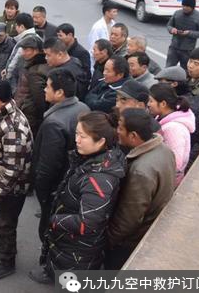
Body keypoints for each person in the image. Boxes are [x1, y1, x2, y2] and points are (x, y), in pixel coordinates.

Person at [29, 112, 126, 283]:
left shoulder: (99, 178)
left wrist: (54, 220)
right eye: (76, 134)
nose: (77, 140)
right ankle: (52, 272)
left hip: (78, 247)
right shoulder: (90, 159)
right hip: (68, 242)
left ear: (101, 141)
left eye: (83, 136)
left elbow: (87, 223)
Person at [105, 108, 175, 270]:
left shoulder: (140, 170)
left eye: (120, 128)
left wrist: (108, 240)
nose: (117, 131)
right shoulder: (164, 149)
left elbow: (129, 217)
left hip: (129, 241)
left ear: (133, 136)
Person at [33, 69, 89, 265]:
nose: (44, 90)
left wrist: (43, 193)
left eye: (48, 86)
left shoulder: (54, 123)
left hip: (57, 187)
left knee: (49, 227)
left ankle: (49, 266)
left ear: (59, 93)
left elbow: (47, 166)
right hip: (73, 183)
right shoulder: (82, 107)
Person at [0, 81, 33, 279]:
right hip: (5, 181)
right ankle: (4, 245)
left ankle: (7, 260)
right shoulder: (3, 115)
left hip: (12, 187)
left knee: (6, 223)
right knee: (4, 219)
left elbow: (14, 167)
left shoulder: (12, 127)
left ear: (1, 101)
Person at [148, 83, 195, 186]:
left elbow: (175, 163)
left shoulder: (173, 129)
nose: (148, 104)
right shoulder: (161, 117)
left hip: (167, 183)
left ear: (163, 104)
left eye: (151, 101)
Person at [13, 35, 50, 136]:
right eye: (23, 49)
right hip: (23, 108)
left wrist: (39, 117)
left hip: (29, 113)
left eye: (27, 50)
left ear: (37, 50)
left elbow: (39, 98)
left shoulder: (36, 71)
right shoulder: (27, 62)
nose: (23, 53)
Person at [165, 0, 199, 70]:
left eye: (187, 6)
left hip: (187, 50)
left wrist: (189, 33)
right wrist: (172, 29)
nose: (184, 8)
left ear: (192, 7)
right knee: (168, 69)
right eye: (183, 5)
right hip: (174, 47)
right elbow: (169, 25)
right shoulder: (177, 13)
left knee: (186, 71)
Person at [3, 13, 40, 93]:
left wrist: (7, 74)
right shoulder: (37, 37)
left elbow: (14, 61)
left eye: (16, 25)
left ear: (22, 27)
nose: (15, 28)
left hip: (19, 77)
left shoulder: (25, 41)